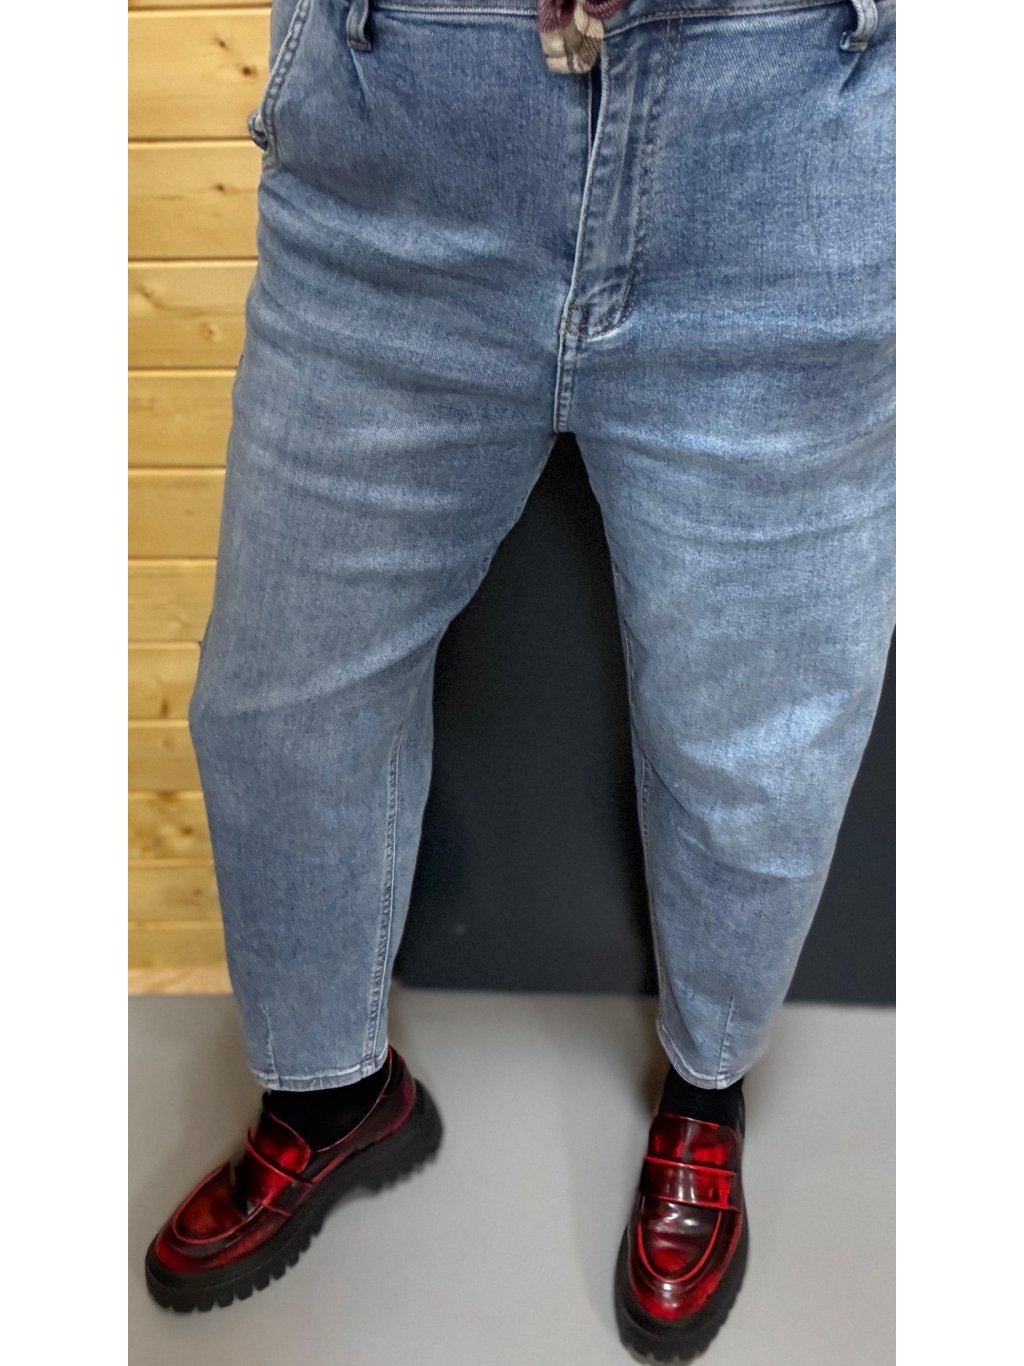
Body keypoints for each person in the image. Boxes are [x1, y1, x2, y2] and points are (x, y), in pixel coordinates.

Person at [143, 0, 895, 1358]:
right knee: (279, 702)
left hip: (785, 130)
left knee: (755, 740)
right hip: (402, 114)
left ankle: (706, 1091)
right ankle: (332, 1095)